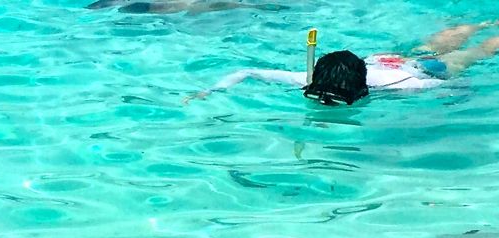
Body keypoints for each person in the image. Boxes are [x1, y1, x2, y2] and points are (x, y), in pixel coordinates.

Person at [186, 20, 499, 104]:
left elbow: (458, 83)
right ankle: (482, 23)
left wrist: (453, 96)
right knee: (431, 42)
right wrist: (210, 92)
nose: (324, 99)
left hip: (420, 68)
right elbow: (247, 71)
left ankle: (487, 28)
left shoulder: (403, 87)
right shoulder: (309, 78)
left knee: (476, 53)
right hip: (387, 60)